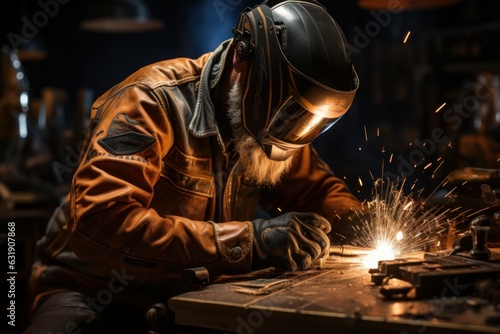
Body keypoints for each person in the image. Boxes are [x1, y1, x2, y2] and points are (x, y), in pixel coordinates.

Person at [25, 0, 361, 332]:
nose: (293, 129)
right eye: (290, 113)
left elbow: (317, 191)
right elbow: (101, 223)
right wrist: (248, 241)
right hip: (88, 291)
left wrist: (359, 221)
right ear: (242, 58)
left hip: (188, 294)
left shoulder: (274, 123)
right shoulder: (150, 102)